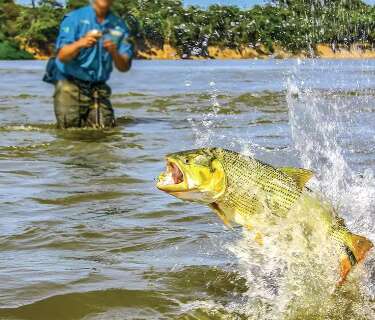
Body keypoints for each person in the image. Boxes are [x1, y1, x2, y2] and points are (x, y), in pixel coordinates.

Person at [51, 0, 133, 129]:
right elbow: (62, 56)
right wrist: (81, 43)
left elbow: (124, 67)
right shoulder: (73, 19)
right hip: (70, 84)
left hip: (98, 87)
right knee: (69, 133)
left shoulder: (119, 26)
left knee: (105, 131)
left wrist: (114, 51)